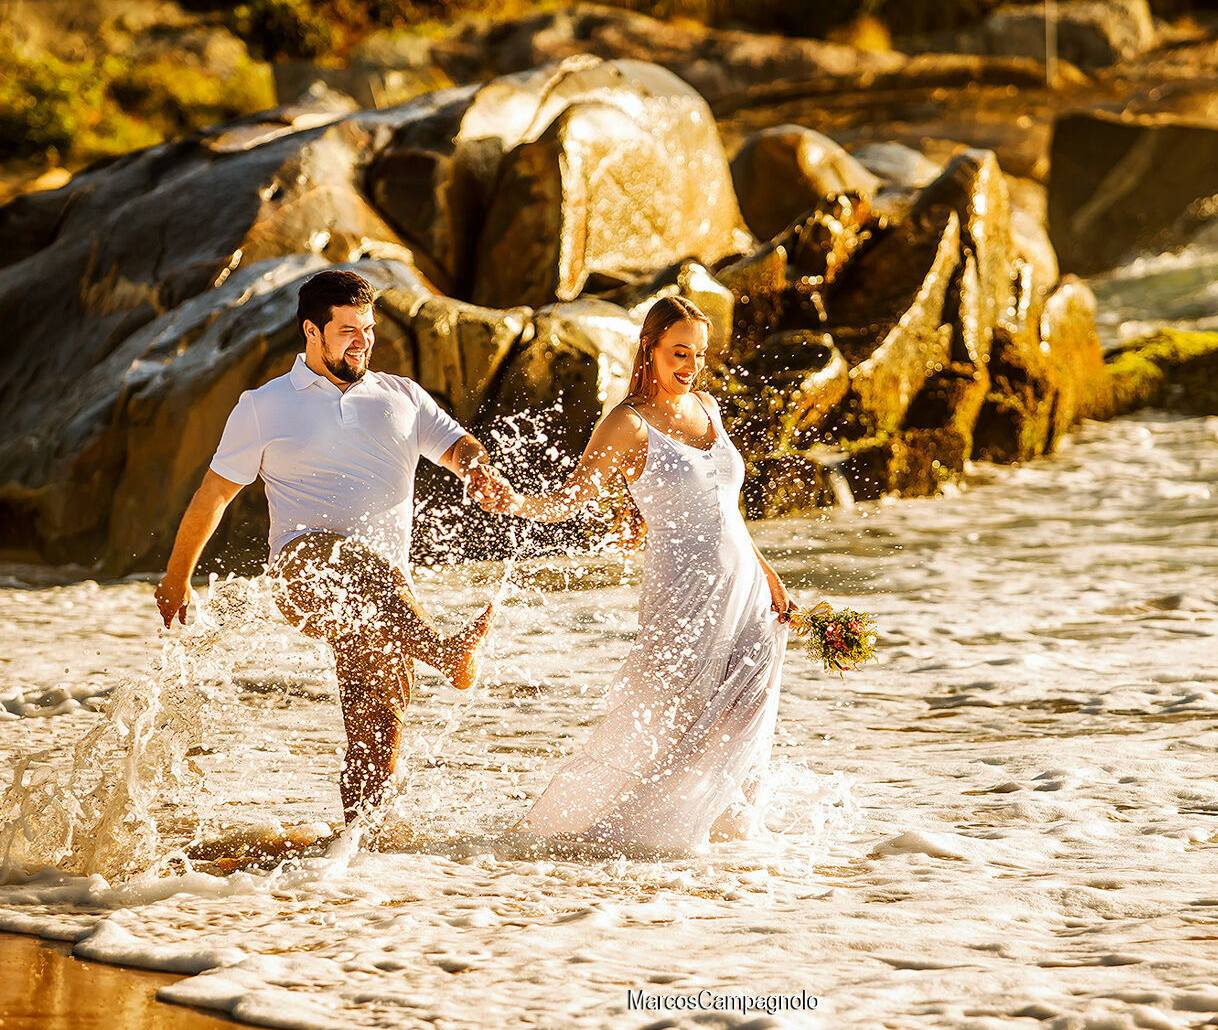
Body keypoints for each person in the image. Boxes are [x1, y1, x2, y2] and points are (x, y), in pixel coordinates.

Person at [154, 269, 499, 826]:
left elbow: (458, 446)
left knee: (376, 733)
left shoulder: (401, 396)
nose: (362, 341)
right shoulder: (264, 406)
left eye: (368, 329)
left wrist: (478, 472)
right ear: (312, 331)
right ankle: (445, 651)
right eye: (347, 331)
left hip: (390, 600)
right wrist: (177, 578)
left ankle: (356, 853)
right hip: (304, 570)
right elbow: (213, 495)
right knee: (335, 553)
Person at [478, 295, 797, 852]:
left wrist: (769, 576)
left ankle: (731, 833)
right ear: (648, 348)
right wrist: (516, 504)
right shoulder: (627, 424)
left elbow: (730, 510)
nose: (691, 365)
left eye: (699, 354)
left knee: (748, 710)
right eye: (679, 352)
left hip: (746, 589)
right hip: (685, 593)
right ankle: (638, 834)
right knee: (675, 720)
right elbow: (574, 499)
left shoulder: (709, 409)